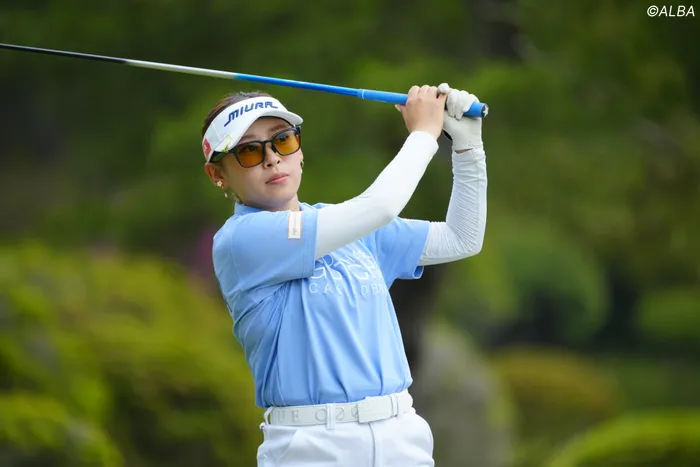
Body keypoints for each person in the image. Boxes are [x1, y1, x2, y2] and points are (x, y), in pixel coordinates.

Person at [202, 83, 487, 467]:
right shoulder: (240, 241)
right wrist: (424, 134)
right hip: (312, 445)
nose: (271, 159)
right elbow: (381, 206)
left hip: (401, 434)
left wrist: (468, 148)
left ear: (300, 151)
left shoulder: (353, 228)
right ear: (217, 174)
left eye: (283, 141)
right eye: (249, 151)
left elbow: (461, 238)